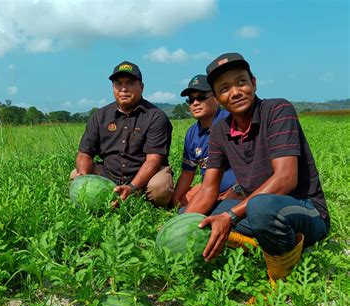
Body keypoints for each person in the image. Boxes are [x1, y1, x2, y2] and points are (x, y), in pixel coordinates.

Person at [184, 52, 330, 283]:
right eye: (224, 89)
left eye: (241, 82)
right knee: (191, 217)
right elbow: (208, 189)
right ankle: (257, 245)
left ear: (253, 82)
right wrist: (179, 227)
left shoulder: (277, 110)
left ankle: (281, 275)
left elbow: (286, 179)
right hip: (254, 207)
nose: (235, 92)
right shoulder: (220, 131)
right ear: (218, 98)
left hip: (304, 209)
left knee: (260, 207)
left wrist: (230, 216)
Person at [71, 60, 174, 208]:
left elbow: (153, 160)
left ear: (142, 87)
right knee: (76, 175)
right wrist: (83, 175)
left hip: (143, 177)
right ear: (113, 87)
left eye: (130, 83)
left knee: (159, 188)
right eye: (118, 84)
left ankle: (141, 202)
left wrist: (132, 187)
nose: (124, 89)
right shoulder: (100, 116)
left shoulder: (155, 116)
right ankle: (102, 200)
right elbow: (84, 153)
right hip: (109, 174)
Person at [171, 74, 244, 209]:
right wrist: (174, 201)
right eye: (191, 100)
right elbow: (188, 172)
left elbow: (250, 165)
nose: (195, 103)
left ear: (216, 98)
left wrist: (237, 189)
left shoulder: (231, 122)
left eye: (202, 97)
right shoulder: (192, 133)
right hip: (208, 190)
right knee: (183, 201)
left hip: (236, 189)